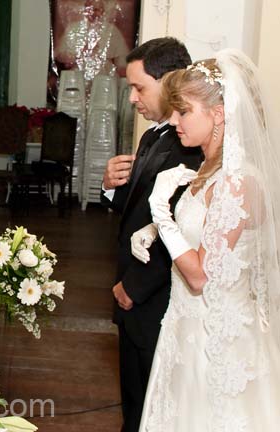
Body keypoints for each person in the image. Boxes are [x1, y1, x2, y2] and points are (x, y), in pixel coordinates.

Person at [133, 50, 280, 431]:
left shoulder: (238, 182)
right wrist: (152, 231)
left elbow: (200, 276)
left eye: (184, 111)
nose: (176, 121)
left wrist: (160, 214)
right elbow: (203, 233)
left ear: (218, 114)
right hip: (184, 327)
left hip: (216, 341)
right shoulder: (208, 171)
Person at [100, 37, 203, 432]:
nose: (132, 99)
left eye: (139, 87)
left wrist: (135, 286)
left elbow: (180, 228)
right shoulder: (152, 136)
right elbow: (140, 209)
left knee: (152, 401)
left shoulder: (190, 148)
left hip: (153, 296)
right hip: (132, 294)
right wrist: (112, 187)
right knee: (135, 396)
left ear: (172, 80)